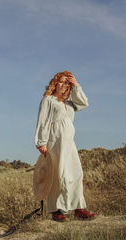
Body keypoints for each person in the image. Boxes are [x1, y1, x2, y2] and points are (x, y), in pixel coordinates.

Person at [34, 70, 97, 222]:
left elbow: (84, 103)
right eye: (60, 81)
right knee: (57, 175)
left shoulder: (69, 103)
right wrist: (41, 142)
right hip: (54, 142)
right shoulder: (48, 100)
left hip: (69, 143)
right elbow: (42, 122)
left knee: (76, 173)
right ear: (55, 83)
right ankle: (56, 210)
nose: (63, 84)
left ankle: (78, 209)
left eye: (66, 82)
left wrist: (76, 85)